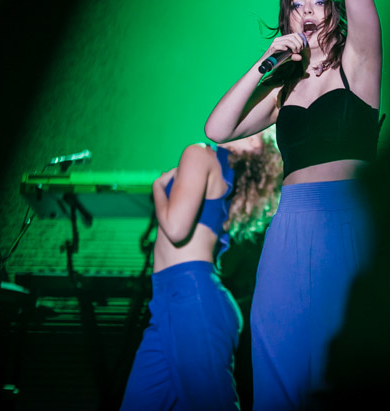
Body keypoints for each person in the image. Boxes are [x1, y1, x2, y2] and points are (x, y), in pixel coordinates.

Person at [205, 0, 382, 409]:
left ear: (333, 10)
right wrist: (264, 63)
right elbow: (217, 130)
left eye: (317, 1)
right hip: (293, 220)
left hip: (348, 216)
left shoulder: (359, 63)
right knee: (276, 342)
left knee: (342, 356)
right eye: (296, 5)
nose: (307, 11)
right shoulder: (282, 87)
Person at [120, 132, 281, 411]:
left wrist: (158, 188)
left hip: (192, 297)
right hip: (172, 299)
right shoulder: (227, 176)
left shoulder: (200, 154)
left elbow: (176, 229)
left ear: (255, 144)